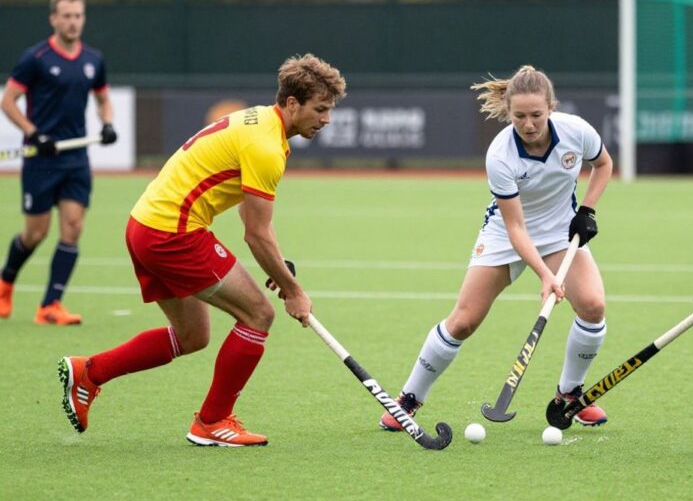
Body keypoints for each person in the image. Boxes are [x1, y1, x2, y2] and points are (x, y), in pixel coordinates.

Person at [57, 53, 346, 447]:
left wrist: (282, 271)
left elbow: (252, 214)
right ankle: (212, 421)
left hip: (144, 224)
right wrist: (293, 292)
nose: (326, 119)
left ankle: (89, 372)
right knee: (258, 315)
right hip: (172, 233)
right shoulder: (267, 146)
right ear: (293, 103)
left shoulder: (260, 120)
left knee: (192, 335)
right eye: (321, 109)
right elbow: (255, 235)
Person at [379, 65, 614, 431]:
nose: (529, 124)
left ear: (551, 107)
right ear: (508, 112)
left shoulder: (576, 131)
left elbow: (603, 164)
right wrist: (545, 275)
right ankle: (409, 399)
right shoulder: (501, 154)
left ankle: (569, 395)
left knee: (594, 306)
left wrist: (587, 209)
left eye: (536, 115)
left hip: (557, 232)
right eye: (519, 116)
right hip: (506, 234)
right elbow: (516, 227)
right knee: (463, 321)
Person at [0, 0, 118, 325]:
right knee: (35, 233)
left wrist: (107, 123)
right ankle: (5, 282)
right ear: (54, 19)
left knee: (73, 227)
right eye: (66, 16)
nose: (72, 22)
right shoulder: (35, 58)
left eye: (78, 16)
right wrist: (34, 132)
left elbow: (103, 99)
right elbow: (8, 102)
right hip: (41, 159)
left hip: (76, 158)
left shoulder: (93, 60)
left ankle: (50, 305)